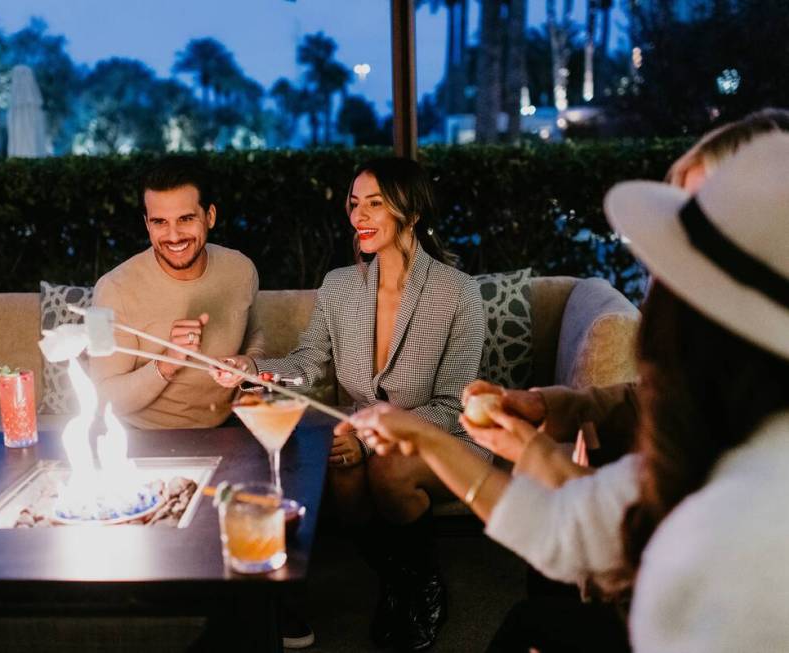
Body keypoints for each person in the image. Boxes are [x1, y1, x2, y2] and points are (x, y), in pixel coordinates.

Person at [341, 132, 789, 652]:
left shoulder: (752, 512)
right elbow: (566, 524)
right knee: (529, 622)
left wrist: (435, 435)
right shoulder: (709, 422)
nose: (653, 282)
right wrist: (467, 438)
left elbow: (586, 535)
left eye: (678, 255)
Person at [213, 157, 486, 651]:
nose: (358, 216)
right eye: (354, 204)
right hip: (358, 436)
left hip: (446, 435)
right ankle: (397, 578)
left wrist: (366, 434)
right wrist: (252, 369)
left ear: (413, 212)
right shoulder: (340, 285)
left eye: (374, 204)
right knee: (343, 462)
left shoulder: (458, 293)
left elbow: (452, 405)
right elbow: (309, 362)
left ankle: (421, 588)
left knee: (389, 469)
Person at [466, 107, 789, 477]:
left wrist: (539, 459)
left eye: (703, 223)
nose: (679, 242)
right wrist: (542, 406)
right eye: (682, 217)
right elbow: (653, 401)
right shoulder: (721, 345)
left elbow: (649, 517)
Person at [90, 157, 265, 430]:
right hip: (141, 441)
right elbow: (100, 399)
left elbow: (254, 335)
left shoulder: (242, 269)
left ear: (210, 216)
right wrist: (166, 364)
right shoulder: (109, 289)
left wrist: (249, 368)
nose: (173, 236)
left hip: (227, 431)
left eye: (185, 219)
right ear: (147, 224)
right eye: (160, 222)